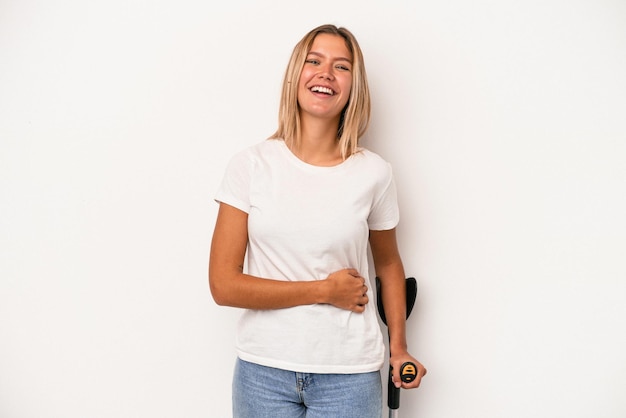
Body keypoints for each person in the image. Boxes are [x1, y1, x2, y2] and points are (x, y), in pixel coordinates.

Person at [209, 23, 426, 418]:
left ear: (353, 87)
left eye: (341, 66)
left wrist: (399, 349)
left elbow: (389, 264)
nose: (326, 73)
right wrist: (323, 291)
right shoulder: (251, 166)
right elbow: (224, 285)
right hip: (263, 373)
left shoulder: (374, 173)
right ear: (297, 74)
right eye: (315, 61)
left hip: (349, 376)